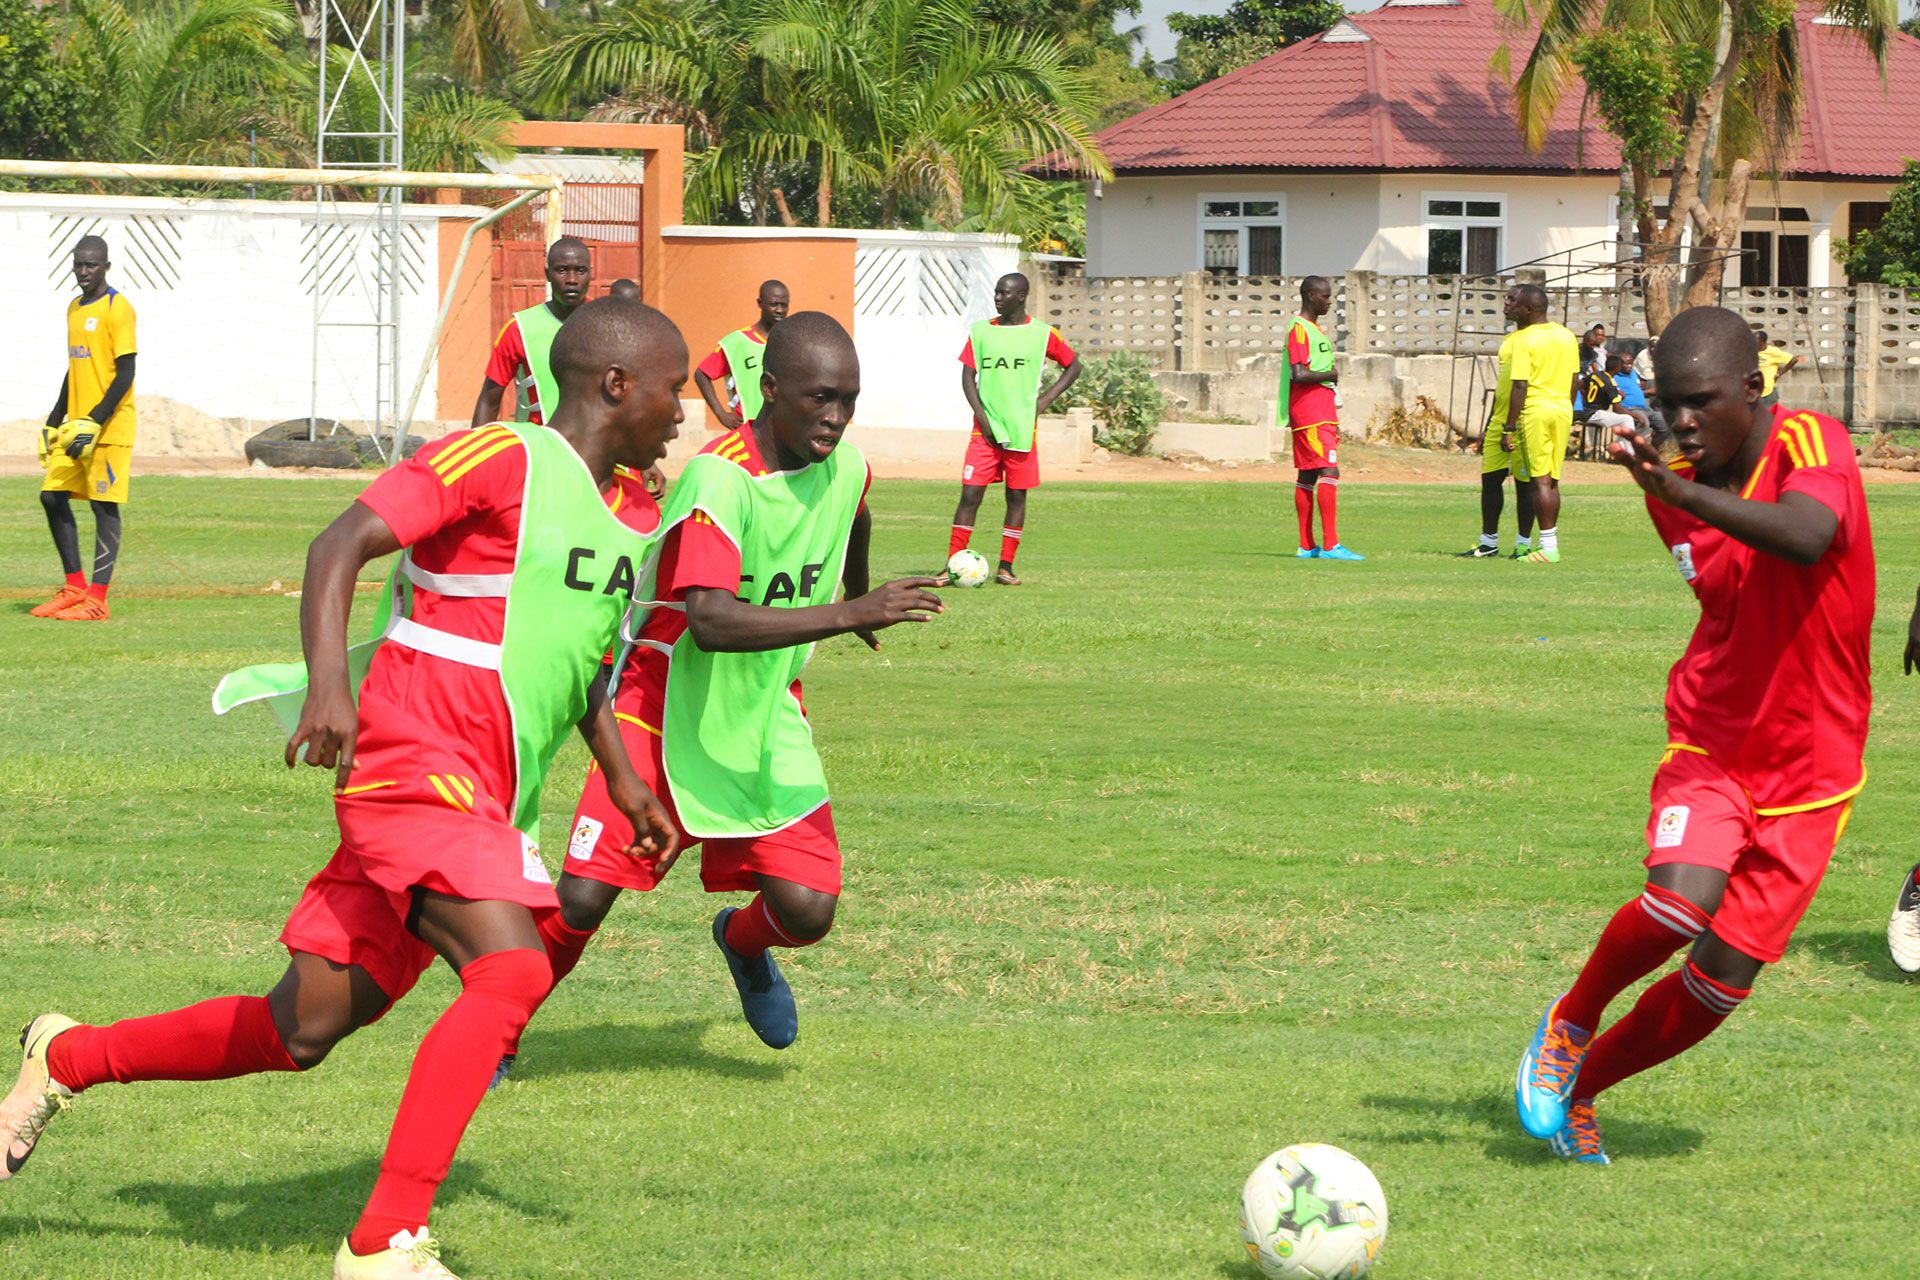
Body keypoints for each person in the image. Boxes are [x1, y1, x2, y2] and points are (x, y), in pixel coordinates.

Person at [1, 297, 690, 1280]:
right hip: (413, 759)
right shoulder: (499, 456)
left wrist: (625, 782)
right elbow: (338, 545)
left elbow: (578, 662)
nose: (685, 406)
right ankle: (382, 1242)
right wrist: (330, 684)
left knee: (301, 1027)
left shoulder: (629, 514)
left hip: (484, 793)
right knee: (513, 970)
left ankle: (62, 1057)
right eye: (675, 385)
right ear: (616, 383)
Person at [506, 312, 942, 1081]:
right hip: (660, 702)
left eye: (848, 399)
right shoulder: (721, 478)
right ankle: (498, 1037)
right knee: (578, 904)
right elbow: (708, 619)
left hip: (765, 711)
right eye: (819, 399)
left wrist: (859, 585)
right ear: (768, 391)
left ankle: (741, 944)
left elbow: (854, 513)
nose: (836, 418)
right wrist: (852, 613)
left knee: (808, 911)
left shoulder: (849, 465)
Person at [1513, 305, 1873, 1165]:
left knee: (1720, 985)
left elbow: (1810, 533)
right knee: (1679, 902)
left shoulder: (1812, 442)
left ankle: (1586, 1087)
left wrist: (1679, 490)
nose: (1680, 421)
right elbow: (1719, 587)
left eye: (1700, 401)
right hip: (1714, 739)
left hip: (1816, 768)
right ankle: (1569, 1019)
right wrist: (1672, 487)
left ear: (1753, 390)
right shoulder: (1672, 477)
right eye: (1667, 402)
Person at [946, 273, 1081, 586]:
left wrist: (1045, 399)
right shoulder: (980, 332)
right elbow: (968, 377)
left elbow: (1074, 365)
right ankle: (952, 563)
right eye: (996, 292)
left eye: (1004, 293)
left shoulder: (1042, 333)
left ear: (1021, 295)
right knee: (969, 495)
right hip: (984, 431)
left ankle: (1006, 566)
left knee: (1016, 498)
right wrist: (981, 415)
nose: (998, 298)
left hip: (1021, 431)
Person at [31, 235, 136, 622]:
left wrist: (96, 417)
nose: (83, 272)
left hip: (108, 427)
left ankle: (98, 599)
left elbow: (126, 372)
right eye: (78, 264)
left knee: (103, 506)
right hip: (75, 427)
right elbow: (73, 371)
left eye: (91, 265)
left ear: (106, 267)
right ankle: (74, 588)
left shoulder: (118, 308)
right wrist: (53, 420)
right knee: (51, 497)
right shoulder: (74, 308)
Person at [1458, 284, 1572, 560]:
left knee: (1531, 481)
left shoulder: (1525, 340)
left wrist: (1511, 426)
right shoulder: (1552, 336)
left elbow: (1520, 385)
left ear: (1528, 308)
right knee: (1493, 479)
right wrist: (1493, 423)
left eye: (1512, 300)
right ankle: (1489, 542)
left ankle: (1528, 543)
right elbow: (1506, 387)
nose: (1506, 303)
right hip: (1513, 415)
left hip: (1527, 415)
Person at [470, 236, 594, 428]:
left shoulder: (606, 322)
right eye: (562, 270)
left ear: (590, 274)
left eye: (580, 271)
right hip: (538, 449)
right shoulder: (519, 329)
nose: (571, 280)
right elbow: (489, 400)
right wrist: (475, 451)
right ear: (547, 274)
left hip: (593, 451)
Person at [1279, 275, 1363, 561]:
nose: (1329, 302)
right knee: (1329, 471)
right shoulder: (1300, 329)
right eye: (1326, 297)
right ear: (1311, 296)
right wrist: (1330, 375)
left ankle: (1306, 546)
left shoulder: (1312, 329)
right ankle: (1330, 545)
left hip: (1318, 412)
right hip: (1312, 414)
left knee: (1307, 474)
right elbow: (1298, 373)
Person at [695, 280, 789, 431]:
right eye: (774, 304)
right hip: (747, 431)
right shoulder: (737, 342)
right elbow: (701, 374)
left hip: (782, 430)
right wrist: (721, 414)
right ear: (760, 303)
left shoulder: (790, 341)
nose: (779, 310)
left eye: (784, 305)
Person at [1755, 329, 1799, 409]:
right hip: (1755, 393)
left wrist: (1779, 374)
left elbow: (1794, 359)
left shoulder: (1772, 352)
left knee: (1769, 419)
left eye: (1755, 340)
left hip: (1767, 394)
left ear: (1762, 341)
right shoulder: (1753, 352)